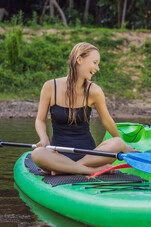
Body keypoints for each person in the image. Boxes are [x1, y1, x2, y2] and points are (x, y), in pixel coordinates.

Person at [31, 42, 134, 175]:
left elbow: (107, 120)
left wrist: (123, 146)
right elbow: (40, 120)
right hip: (58, 154)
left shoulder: (94, 91)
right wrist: (44, 138)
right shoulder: (50, 87)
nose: (97, 68)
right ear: (79, 60)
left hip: (90, 155)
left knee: (117, 142)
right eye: (95, 62)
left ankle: (65, 169)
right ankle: (88, 170)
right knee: (37, 154)